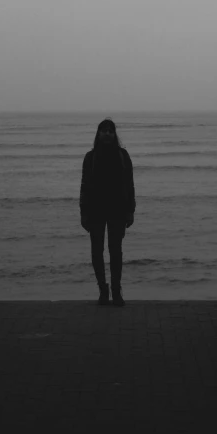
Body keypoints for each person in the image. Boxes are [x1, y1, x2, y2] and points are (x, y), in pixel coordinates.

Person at [80, 118, 135, 306]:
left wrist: (131, 210)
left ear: (114, 134)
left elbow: (130, 185)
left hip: (117, 210)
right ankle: (103, 290)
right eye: (104, 130)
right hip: (95, 210)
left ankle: (116, 291)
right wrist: (83, 214)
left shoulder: (123, 155)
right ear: (98, 134)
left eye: (110, 131)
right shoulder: (90, 157)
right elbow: (84, 187)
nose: (107, 133)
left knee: (116, 252)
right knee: (97, 251)